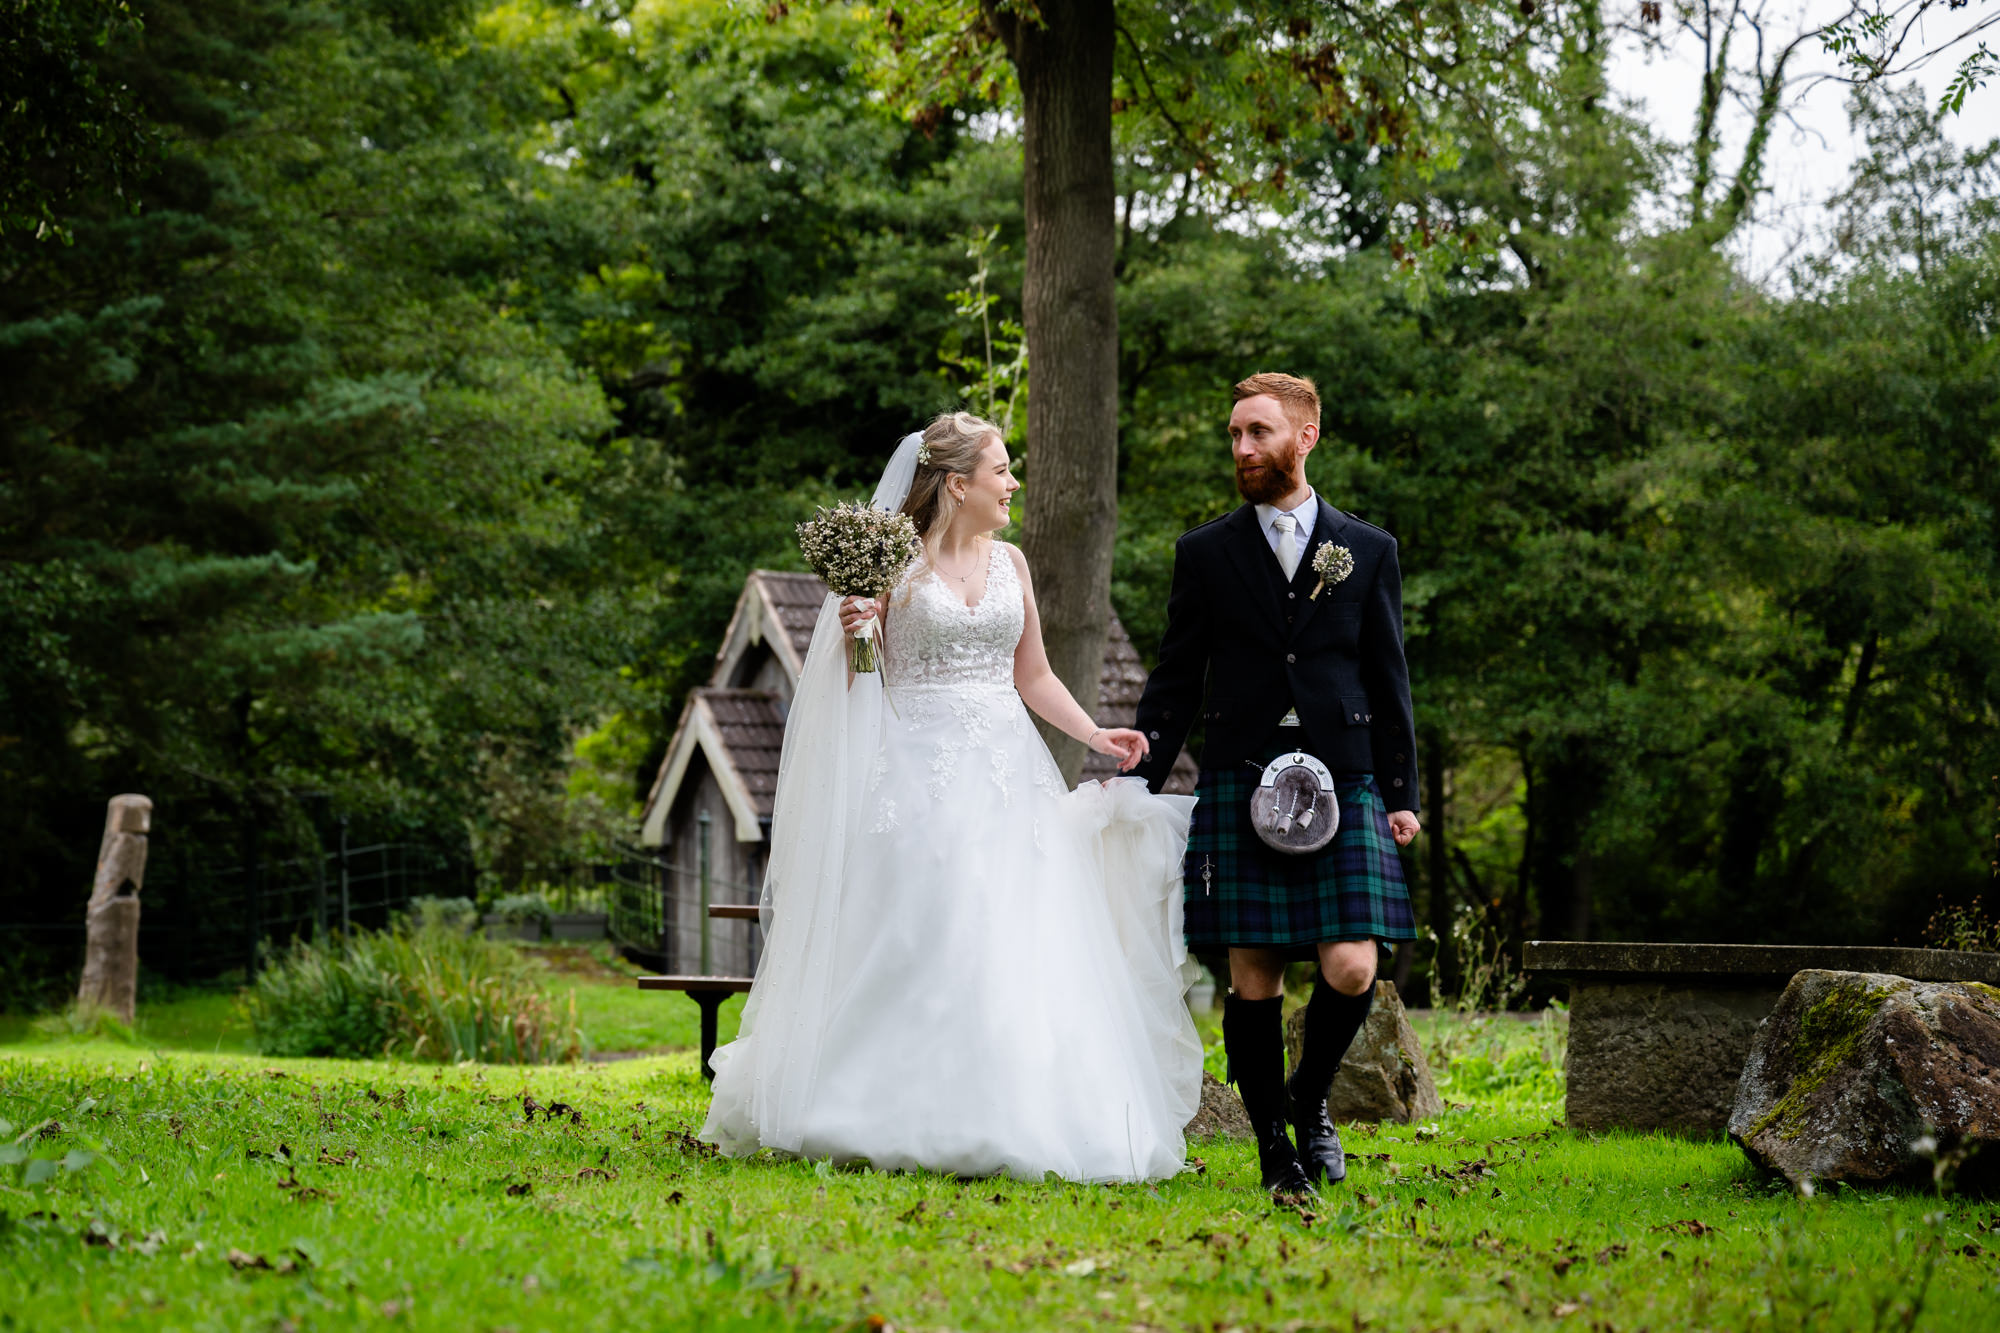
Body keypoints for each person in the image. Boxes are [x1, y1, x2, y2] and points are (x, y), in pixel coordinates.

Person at [699, 411, 1203, 1182]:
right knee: (924, 931)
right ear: (958, 482)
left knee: (1015, 935)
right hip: (913, 773)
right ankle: (876, 1104)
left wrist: (1096, 732)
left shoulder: (1015, 565)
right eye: (1001, 470)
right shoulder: (891, 568)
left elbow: (1030, 673)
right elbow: (856, 687)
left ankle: (1021, 1108)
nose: (1012, 484)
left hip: (1009, 771)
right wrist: (857, 632)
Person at [1131, 372, 1422, 1199]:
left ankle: (1307, 1099)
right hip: (1243, 773)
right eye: (1234, 435)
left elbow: (1387, 676)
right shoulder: (1207, 551)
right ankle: (1272, 1147)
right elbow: (1177, 679)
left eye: (1258, 432)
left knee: (1354, 965)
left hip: (1348, 775)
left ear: (1306, 435)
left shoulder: (1366, 549)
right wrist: (1140, 777)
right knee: (1252, 970)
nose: (1242, 449)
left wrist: (1401, 793)